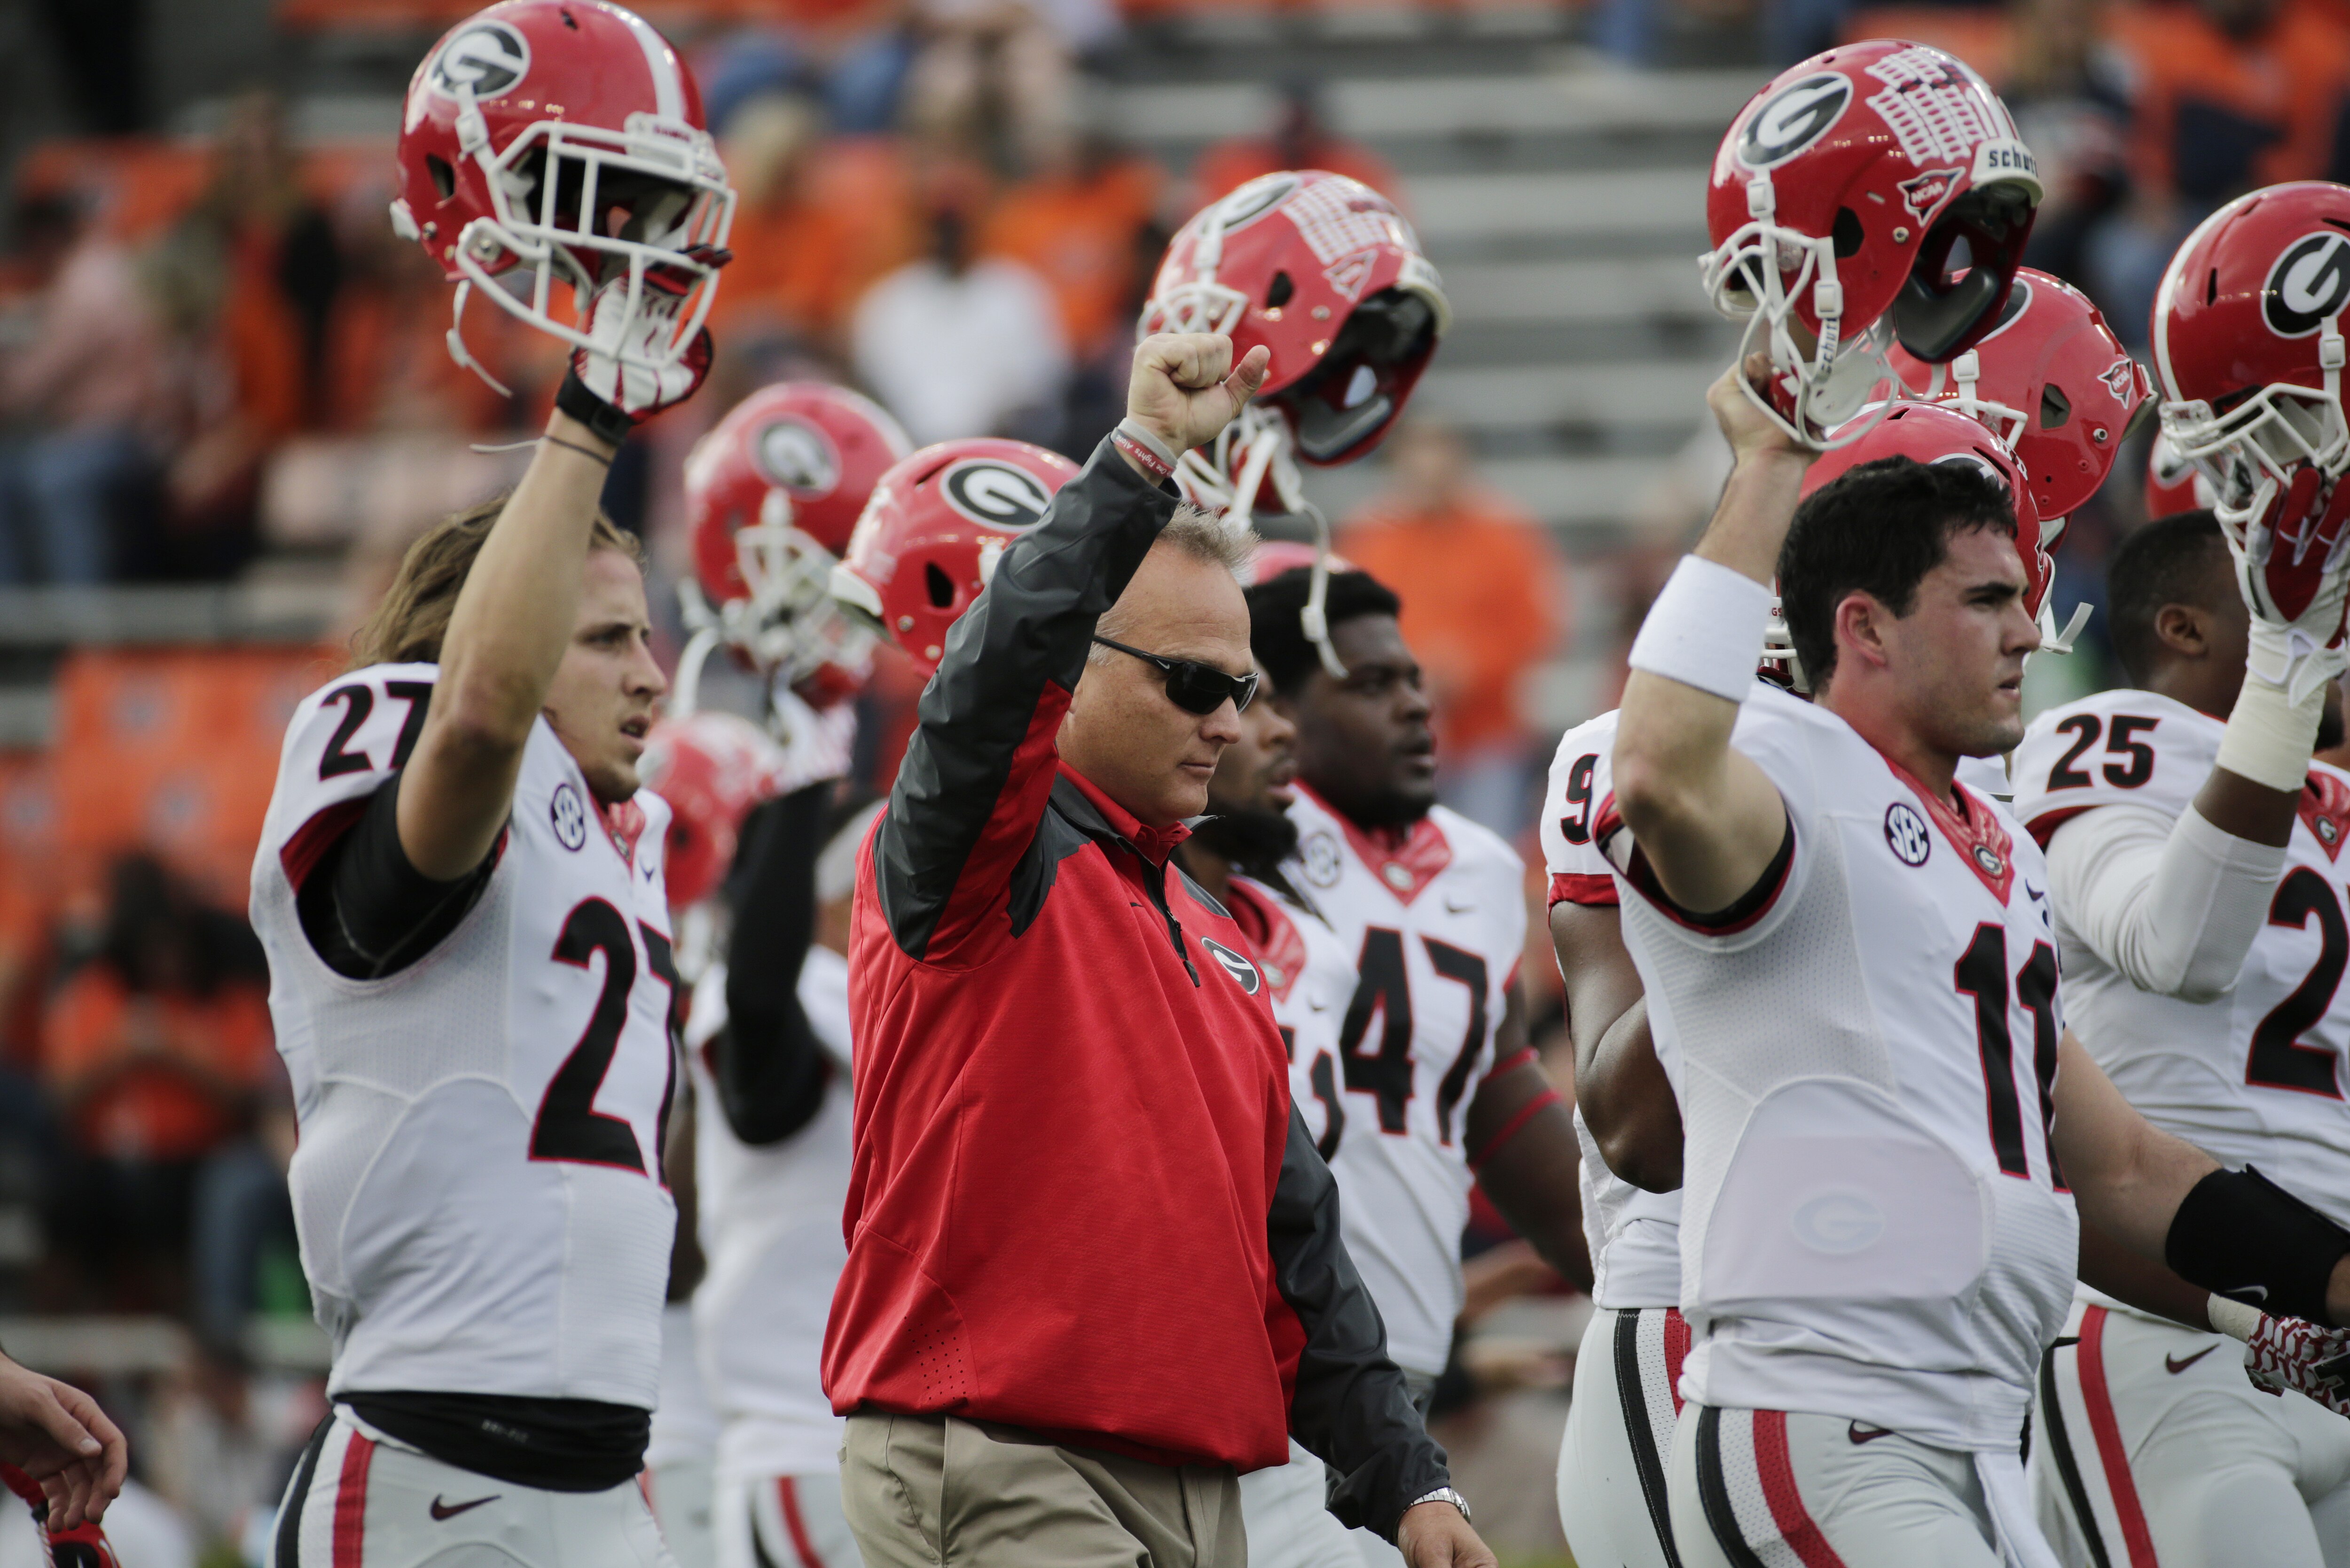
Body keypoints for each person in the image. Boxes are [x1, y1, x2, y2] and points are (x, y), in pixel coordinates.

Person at [1610, 358, 2350, 1567]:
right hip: (1831, 1408)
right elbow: (1654, 773)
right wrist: (1764, 467)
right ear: (1864, 626)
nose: (2029, 630)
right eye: (1989, 599)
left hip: (1964, 1427)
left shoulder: (1990, 848)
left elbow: (2119, 1162)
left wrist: (2325, 1279)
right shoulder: (1796, 768)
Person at [826, 331, 1493, 1568]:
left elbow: (1295, 1246)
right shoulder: (981, 862)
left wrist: (1410, 1479)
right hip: (1002, 1455)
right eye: (1193, 682)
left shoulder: (1211, 927)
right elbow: (982, 699)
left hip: (1195, 1485)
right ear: (1070, 668)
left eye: (1240, 688)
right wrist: (1134, 461)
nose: (1230, 720)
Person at [250, 5, 728, 1560]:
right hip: (427, 1470)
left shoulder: (627, 834)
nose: (652, 672)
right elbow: (471, 725)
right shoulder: (404, 725)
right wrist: (591, 408)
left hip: (610, 1477)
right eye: (606, 638)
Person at [1230, 563, 1585, 1565]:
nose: (1415, 703)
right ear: (1277, 709)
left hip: (1400, 1382)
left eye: (1415, 679)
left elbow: (1500, 1105)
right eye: (1371, 683)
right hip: (1276, 1374)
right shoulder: (1244, 848)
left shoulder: (1475, 867)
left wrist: (1650, 1277)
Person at [2012, 510, 2350, 1565]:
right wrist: (2288, 681)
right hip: (2180, 1325)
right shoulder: (2113, 736)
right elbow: (2178, 945)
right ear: (2186, 628)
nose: (2327, 631)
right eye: (2290, 610)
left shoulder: (2333, 793)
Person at [1539, 706, 1688, 1568]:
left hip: (1944, 1325)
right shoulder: (1627, 751)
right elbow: (1639, 1140)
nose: (2017, 625)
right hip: (1707, 1305)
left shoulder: (1981, 787)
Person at [1337, 423, 1565, 836]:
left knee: (1488, 850)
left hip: (1486, 736)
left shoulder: (1505, 536)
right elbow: (1345, 624)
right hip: (1395, 733)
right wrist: (1407, 671)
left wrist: (1469, 670)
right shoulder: (1371, 536)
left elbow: (1534, 626)